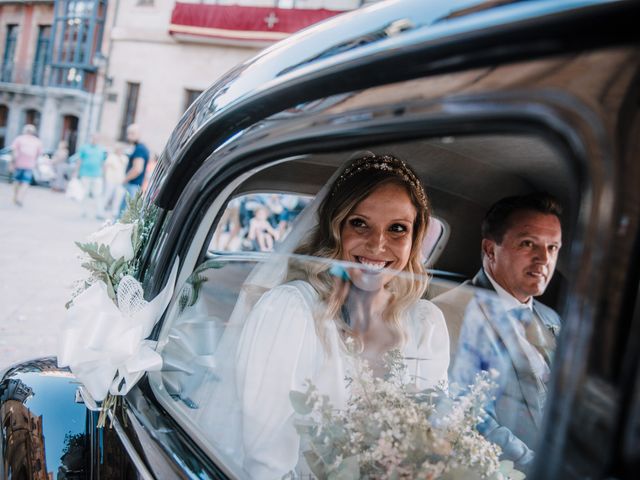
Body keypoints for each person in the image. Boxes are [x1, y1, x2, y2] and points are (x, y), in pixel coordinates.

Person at [213, 153, 450, 478]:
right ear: (334, 227)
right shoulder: (289, 312)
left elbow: (429, 436)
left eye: (397, 228)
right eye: (360, 223)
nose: (378, 244)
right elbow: (264, 462)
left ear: (415, 238)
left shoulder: (426, 323)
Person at [433, 193, 563, 471]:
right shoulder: (447, 314)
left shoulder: (551, 318)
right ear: (490, 250)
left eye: (553, 248)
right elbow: (467, 413)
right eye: (528, 244)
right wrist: (535, 465)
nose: (544, 259)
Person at [73, 134, 107, 218]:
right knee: (85, 193)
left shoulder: (101, 149)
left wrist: (104, 174)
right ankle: (84, 211)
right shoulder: (84, 148)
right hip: (85, 174)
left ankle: (100, 213)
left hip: (97, 175)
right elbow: (79, 160)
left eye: (96, 138)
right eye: (93, 138)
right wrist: (76, 173)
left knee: (98, 194)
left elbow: (103, 163)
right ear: (91, 139)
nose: (94, 140)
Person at [119, 124, 149, 215]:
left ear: (139, 134)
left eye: (132, 133)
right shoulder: (141, 148)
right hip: (135, 186)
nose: (129, 136)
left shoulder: (139, 149)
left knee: (124, 215)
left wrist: (125, 179)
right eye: (128, 133)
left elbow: (137, 169)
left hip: (133, 186)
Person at [9, 124, 43, 206]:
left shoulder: (19, 139)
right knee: (25, 182)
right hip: (30, 165)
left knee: (17, 181)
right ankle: (20, 198)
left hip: (18, 164)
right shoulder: (37, 141)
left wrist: (11, 163)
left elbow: (13, 152)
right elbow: (39, 155)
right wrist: (36, 165)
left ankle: (16, 196)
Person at [99, 143, 128, 220]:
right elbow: (105, 166)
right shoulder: (111, 157)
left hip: (120, 181)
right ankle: (101, 211)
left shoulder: (124, 158)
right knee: (107, 195)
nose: (120, 151)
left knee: (118, 197)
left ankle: (115, 213)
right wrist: (104, 177)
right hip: (111, 180)